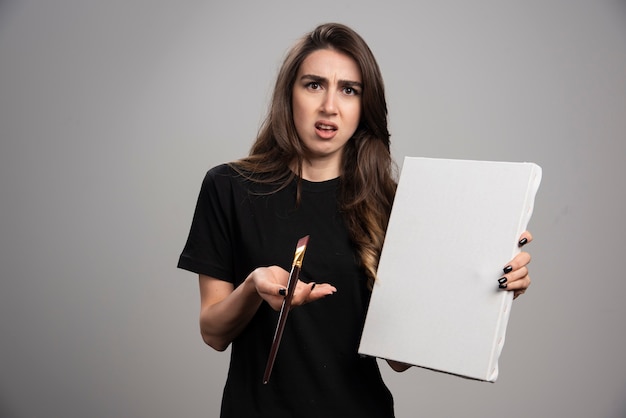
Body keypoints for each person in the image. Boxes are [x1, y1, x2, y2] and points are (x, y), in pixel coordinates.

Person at [177, 22, 533, 418]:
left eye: (349, 89)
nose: (330, 106)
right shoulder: (228, 187)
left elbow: (399, 359)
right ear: (288, 95)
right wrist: (252, 286)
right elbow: (213, 333)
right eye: (314, 85)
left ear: (365, 105)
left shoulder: (394, 205)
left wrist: (486, 288)